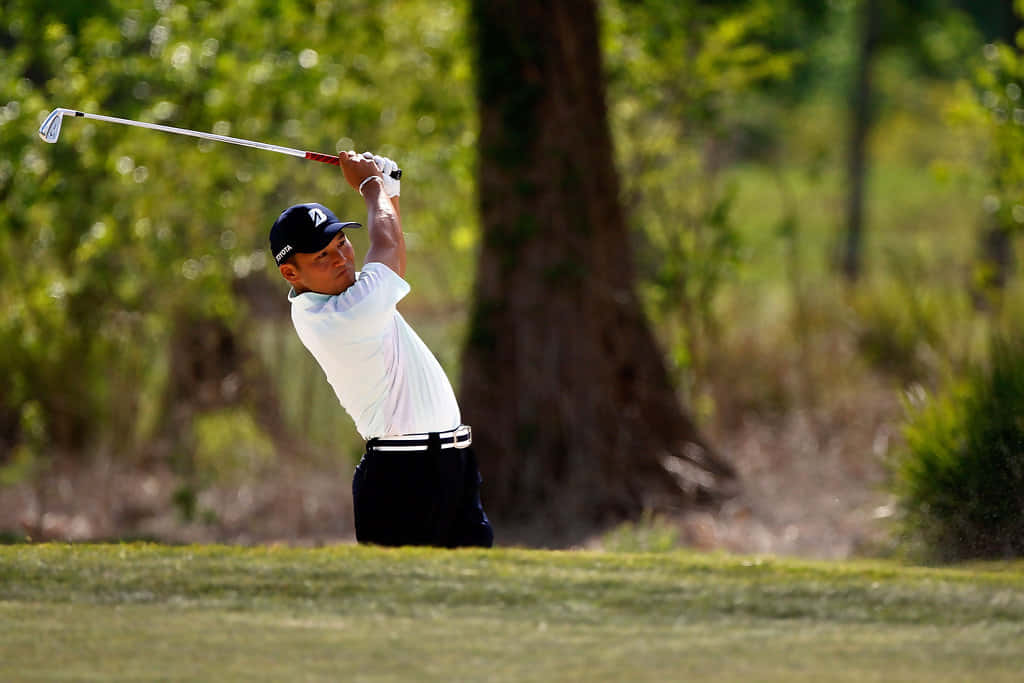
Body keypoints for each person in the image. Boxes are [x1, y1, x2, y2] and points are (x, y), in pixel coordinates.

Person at [269, 150, 493, 548]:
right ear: (291, 272)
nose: (341, 258)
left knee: (474, 603)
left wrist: (389, 189)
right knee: (406, 607)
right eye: (322, 255)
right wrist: (370, 186)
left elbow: (389, 249)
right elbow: (387, 251)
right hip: (402, 476)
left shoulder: (348, 297)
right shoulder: (338, 316)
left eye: (342, 243)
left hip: (451, 467)